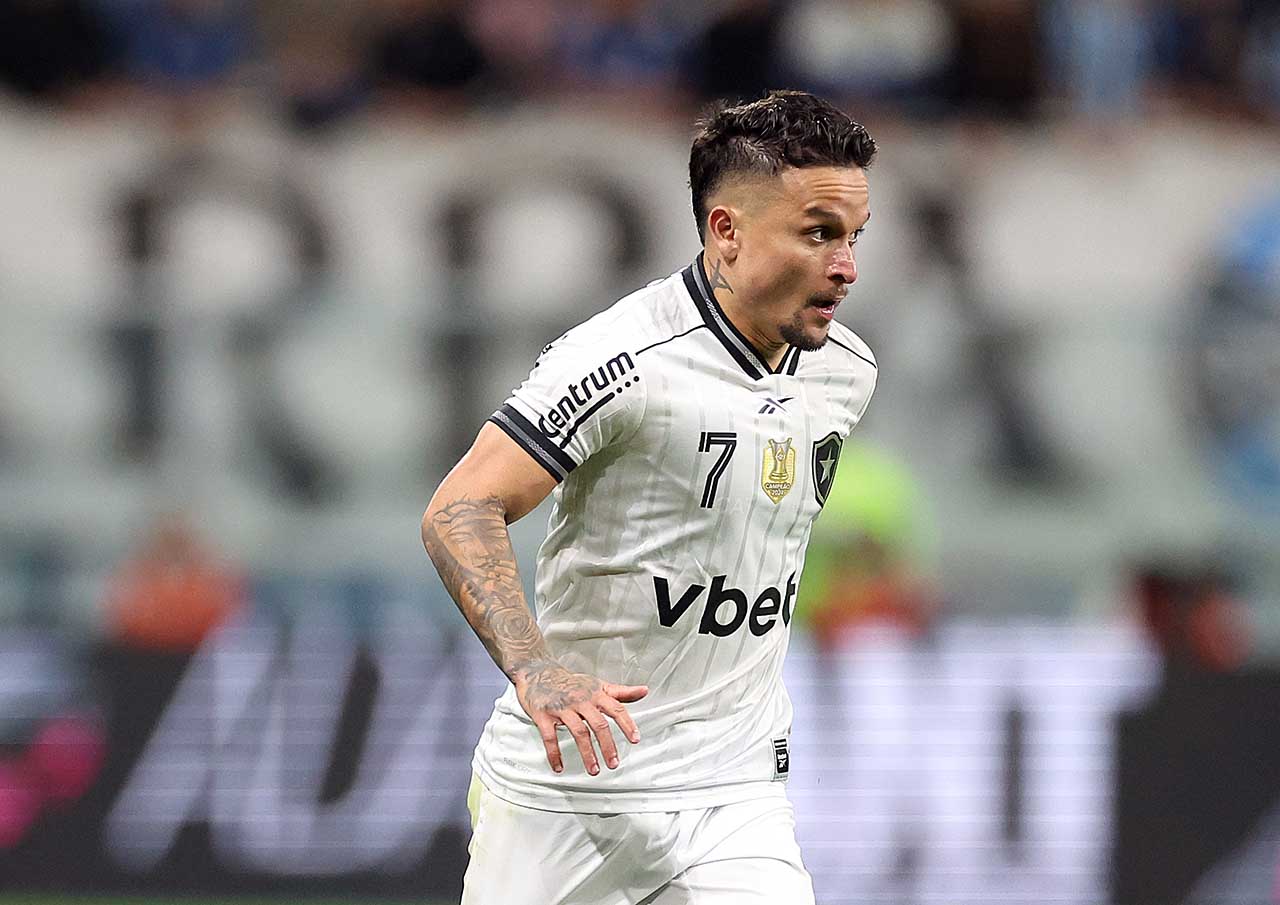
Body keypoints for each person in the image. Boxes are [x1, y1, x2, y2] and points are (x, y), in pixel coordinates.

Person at [422, 89, 877, 904]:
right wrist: (535, 669)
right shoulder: (623, 359)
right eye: (818, 234)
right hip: (572, 786)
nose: (845, 266)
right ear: (726, 231)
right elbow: (459, 508)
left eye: (853, 237)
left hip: (735, 791)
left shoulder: (845, 371)